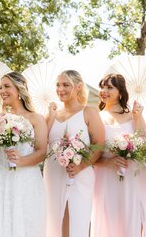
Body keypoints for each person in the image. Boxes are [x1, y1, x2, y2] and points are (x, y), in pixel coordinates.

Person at [0, 71, 47, 237]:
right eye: (0, 87)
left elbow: (42, 152)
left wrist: (21, 161)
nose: (2, 91)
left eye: (7, 86)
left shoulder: (36, 119)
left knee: (24, 225)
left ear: (20, 90)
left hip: (25, 180)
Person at [91, 73, 146, 237]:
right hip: (105, 177)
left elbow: (144, 149)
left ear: (121, 92)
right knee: (107, 218)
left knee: (133, 218)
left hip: (132, 176)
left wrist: (137, 119)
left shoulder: (134, 116)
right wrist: (107, 163)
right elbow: (91, 153)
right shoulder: (96, 117)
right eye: (102, 87)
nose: (103, 91)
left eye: (109, 87)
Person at [44, 70, 105, 237]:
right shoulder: (53, 114)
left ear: (78, 87)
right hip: (53, 173)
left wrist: (81, 166)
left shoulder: (89, 112)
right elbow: (42, 142)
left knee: (77, 220)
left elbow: (99, 145)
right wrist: (50, 115)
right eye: (58, 85)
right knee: (55, 220)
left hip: (79, 173)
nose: (60, 89)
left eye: (65, 85)